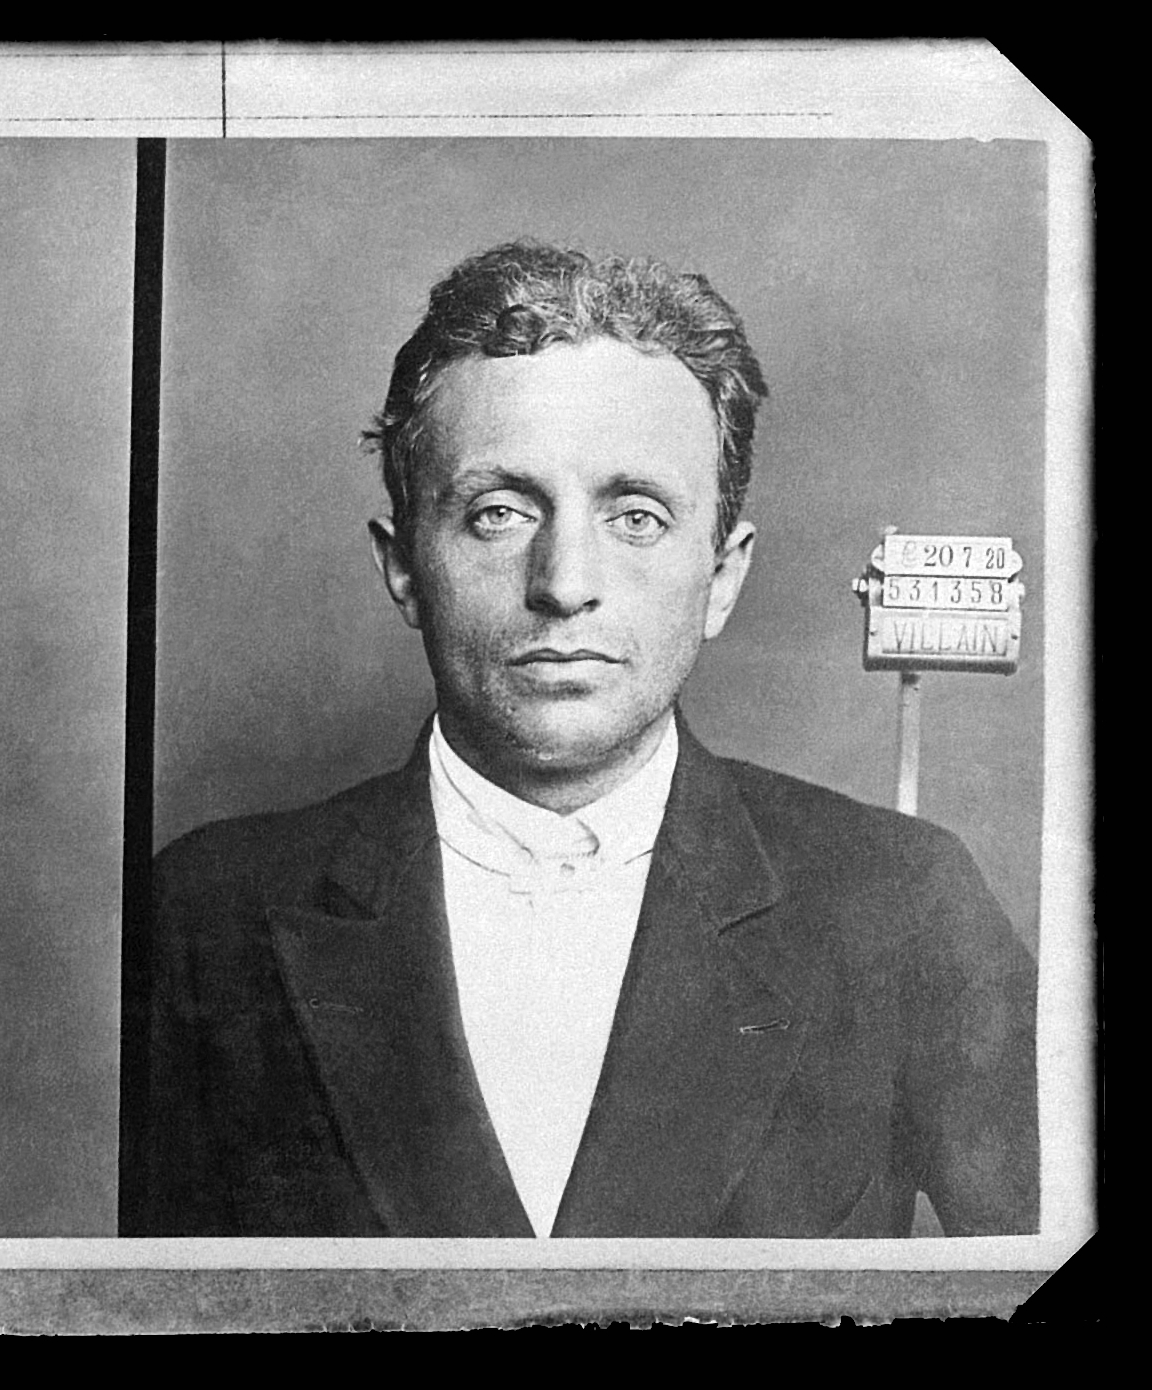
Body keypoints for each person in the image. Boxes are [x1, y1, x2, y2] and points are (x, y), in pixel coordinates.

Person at [123, 240, 1038, 1238]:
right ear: (401, 566)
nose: (564, 583)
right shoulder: (205, 915)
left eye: (635, 517)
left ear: (721, 574)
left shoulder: (902, 903)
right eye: (497, 513)